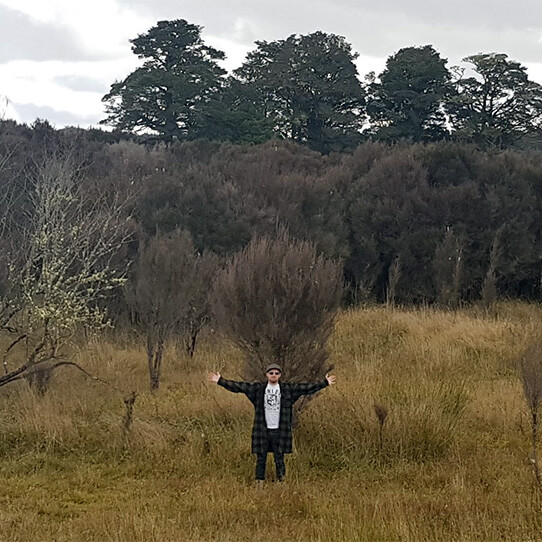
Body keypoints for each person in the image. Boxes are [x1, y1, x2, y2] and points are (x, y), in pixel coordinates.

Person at [208, 364, 336, 483]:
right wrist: (221, 380)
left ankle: (282, 483)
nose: (273, 375)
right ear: (267, 374)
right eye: (271, 373)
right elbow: (239, 387)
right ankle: (259, 484)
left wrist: (324, 383)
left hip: (280, 430)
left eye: (276, 373)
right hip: (262, 429)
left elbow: (306, 388)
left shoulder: (287, 389)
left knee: (279, 459)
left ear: (279, 375)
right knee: (261, 459)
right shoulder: (258, 389)